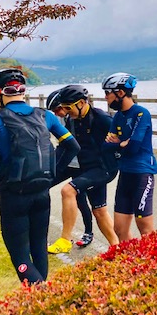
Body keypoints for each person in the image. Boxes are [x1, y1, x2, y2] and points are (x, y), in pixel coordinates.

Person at [0, 69, 79, 283]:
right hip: (41, 194)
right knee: (39, 247)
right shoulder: (46, 116)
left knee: (20, 255)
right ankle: (41, 302)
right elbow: (72, 146)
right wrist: (51, 173)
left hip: (13, 196)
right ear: (22, 91)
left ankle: (40, 298)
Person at [47, 85, 119, 253]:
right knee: (100, 211)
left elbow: (125, 141)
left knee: (68, 191)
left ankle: (65, 240)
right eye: (63, 107)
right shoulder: (72, 119)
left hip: (103, 169)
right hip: (85, 168)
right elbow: (66, 146)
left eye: (67, 107)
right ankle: (117, 250)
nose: (65, 111)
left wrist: (118, 148)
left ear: (81, 103)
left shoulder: (102, 119)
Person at [102, 72, 157, 242]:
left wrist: (119, 143)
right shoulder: (118, 116)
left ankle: (153, 264)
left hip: (142, 173)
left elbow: (134, 147)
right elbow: (105, 147)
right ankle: (132, 262)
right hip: (125, 172)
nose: (105, 98)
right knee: (119, 228)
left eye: (107, 93)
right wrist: (121, 143)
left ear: (120, 93)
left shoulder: (141, 113)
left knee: (145, 229)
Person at [45, 88, 95, 250]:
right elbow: (60, 146)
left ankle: (88, 232)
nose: (57, 113)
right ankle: (41, 231)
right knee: (43, 186)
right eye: (54, 111)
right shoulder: (59, 119)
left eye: (58, 109)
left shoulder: (76, 117)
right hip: (67, 163)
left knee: (81, 199)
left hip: (80, 165)